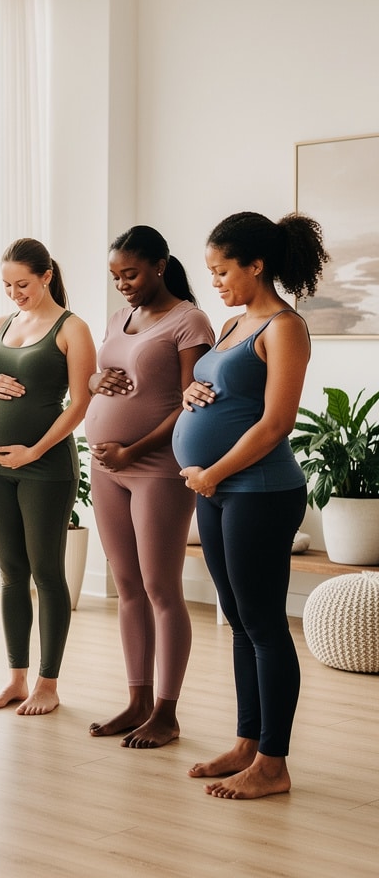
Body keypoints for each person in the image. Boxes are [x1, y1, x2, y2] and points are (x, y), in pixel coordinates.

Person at [173, 211, 328, 799]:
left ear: (255, 265)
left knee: (264, 623)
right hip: (215, 490)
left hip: (258, 491)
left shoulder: (285, 327)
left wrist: (211, 472)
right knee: (239, 621)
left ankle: (274, 762)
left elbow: (276, 422)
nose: (215, 282)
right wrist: (191, 391)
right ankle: (246, 741)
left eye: (221, 270)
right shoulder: (235, 324)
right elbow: (220, 388)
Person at [85, 226, 214, 746]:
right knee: (127, 586)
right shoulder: (121, 317)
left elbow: (191, 399)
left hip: (157, 467)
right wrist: (96, 384)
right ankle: (136, 699)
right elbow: (100, 376)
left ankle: (167, 710)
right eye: (116, 276)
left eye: (131, 273)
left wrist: (132, 450)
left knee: (161, 587)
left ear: (160, 265)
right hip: (105, 468)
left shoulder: (190, 321)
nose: (123, 285)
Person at [0, 238, 96, 716]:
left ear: (46, 276)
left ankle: (49, 683)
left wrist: (35, 450)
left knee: (46, 572)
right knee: (10, 574)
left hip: (46, 467)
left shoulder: (72, 329)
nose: (14, 293)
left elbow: (80, 405)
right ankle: (16, 678)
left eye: (22, 284)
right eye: (6, 285)